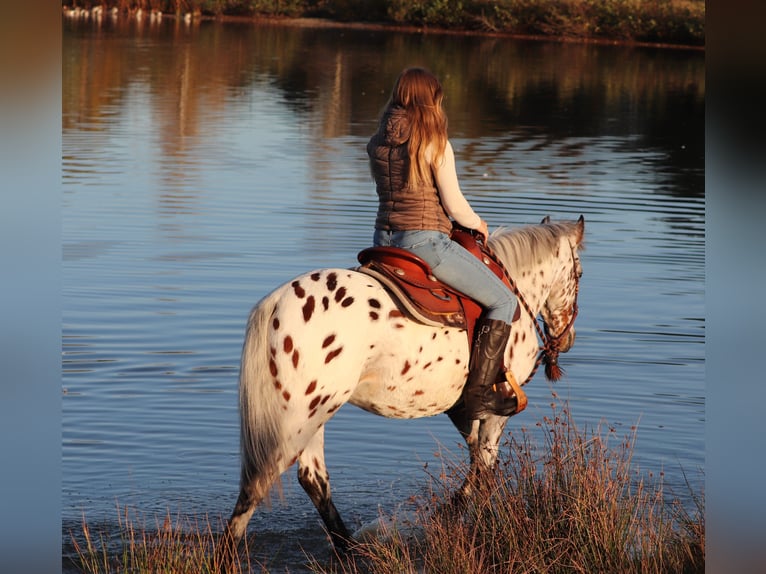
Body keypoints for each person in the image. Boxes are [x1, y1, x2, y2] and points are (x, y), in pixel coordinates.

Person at [367, 66, 519, 420]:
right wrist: (478, 224)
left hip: (383, 240)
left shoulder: (377, 141)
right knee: (503, 299)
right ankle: (478, 395)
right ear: (429, 100)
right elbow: (454, 206)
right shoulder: (433, 142)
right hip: (423, 242)